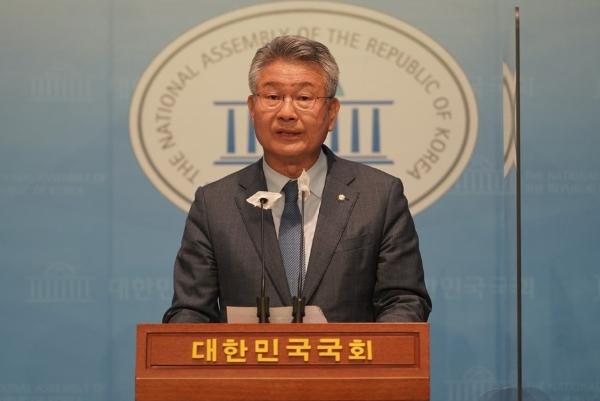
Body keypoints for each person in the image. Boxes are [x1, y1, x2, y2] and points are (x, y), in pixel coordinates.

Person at [162, 35, 431, 323]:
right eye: (273, 97)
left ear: (331, 113)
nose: (287, 113)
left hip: (346, 355)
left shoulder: (379, 196)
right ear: (252, 108)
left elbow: (403, 300)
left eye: (304, 98)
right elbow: (190, 311)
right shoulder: (214, 204)